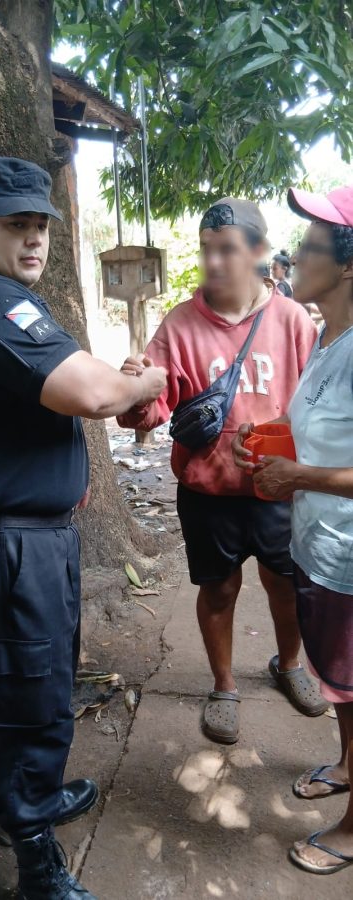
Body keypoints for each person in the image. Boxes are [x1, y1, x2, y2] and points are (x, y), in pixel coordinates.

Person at [0, 156, 167, 900]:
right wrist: (140, 384)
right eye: (14, 225)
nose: (31, 241)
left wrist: (113, 384)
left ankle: (37, 799)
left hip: (29, 539)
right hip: (3, 549)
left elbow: (58, 383)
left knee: (45, 683)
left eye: (40, 226)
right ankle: (33, 856)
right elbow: (88, 390)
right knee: (21, 694)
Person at [118, 197, 327, 745]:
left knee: (286, 585)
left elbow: (317, 405)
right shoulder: (180, 326)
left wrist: (297, 457)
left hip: (280, 490)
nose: (214, 262)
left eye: (228, 250)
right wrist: (137, 388)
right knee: (219, 590)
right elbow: (150, 411)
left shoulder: (293, 322)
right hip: (208, 494)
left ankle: (288, 664)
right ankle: (225, 685)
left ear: (258, 252)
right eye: (206, 250)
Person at [234, 184, 353, 875]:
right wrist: (275, 440)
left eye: (308, 246)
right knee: (338, 682)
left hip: (347, 558)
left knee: (351, 682)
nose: (292, 254)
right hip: (321, 542)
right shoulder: (327, 334)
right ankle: (345, 763)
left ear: (347, 267)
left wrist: (298, 478)